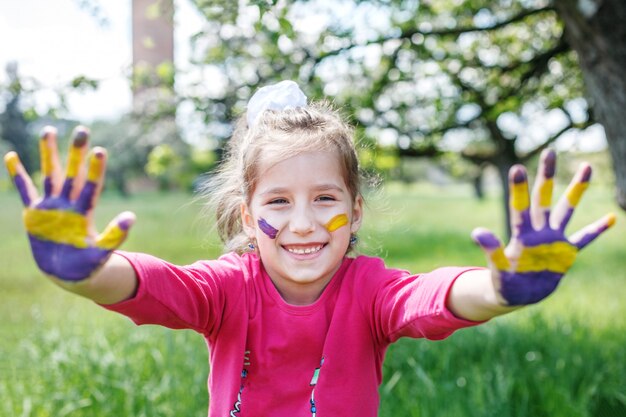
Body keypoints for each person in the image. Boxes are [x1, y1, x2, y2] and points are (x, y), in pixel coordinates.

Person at [4, 80, 616, 416]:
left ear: (355, 210)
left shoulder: (370, 290)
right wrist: (85, 273)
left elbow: (431, 299)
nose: (303, 224)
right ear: (247, 215)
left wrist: (501, 288)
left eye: (325, 199)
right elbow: (159, 287)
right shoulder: (228, 288)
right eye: (277, 203)